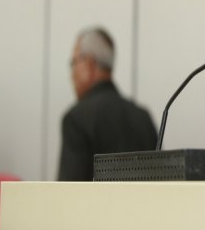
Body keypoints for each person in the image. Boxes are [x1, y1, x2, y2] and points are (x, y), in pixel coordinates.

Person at [58, 27, 157, 181]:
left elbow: (68, 192)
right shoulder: (143, 117)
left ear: (89, 64)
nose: (72, 74)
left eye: (74, 62)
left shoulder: (77, 119)